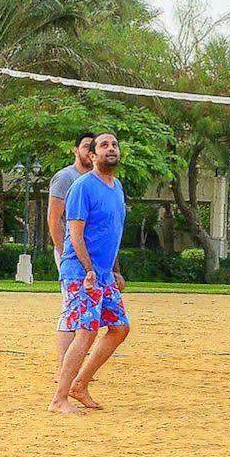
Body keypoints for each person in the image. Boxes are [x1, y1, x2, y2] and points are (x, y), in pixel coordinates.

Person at [52, 132, 131, 414]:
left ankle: (80, 384)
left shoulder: (116, 186)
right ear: (92, 155)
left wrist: (114, 271)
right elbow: (75, 234)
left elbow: (113, 233)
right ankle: (59, 399)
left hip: (104, 273)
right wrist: (88, 271)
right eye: (104, 145)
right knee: (85, 331)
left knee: (119, 327)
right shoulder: (83, 186)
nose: (111, 149)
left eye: (114, 145)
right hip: (81, 271)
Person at [47, 131, 98, 369]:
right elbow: (54, 218)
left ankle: (73, 364)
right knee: (71, 308)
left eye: (92, 147)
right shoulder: (65, 177)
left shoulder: (96, 180)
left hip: (91, 254)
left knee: (86, 309)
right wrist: (63, 251)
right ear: (75, 149)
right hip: (71, 252)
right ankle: (64, 367)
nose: (89, 151)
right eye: (86, 146)